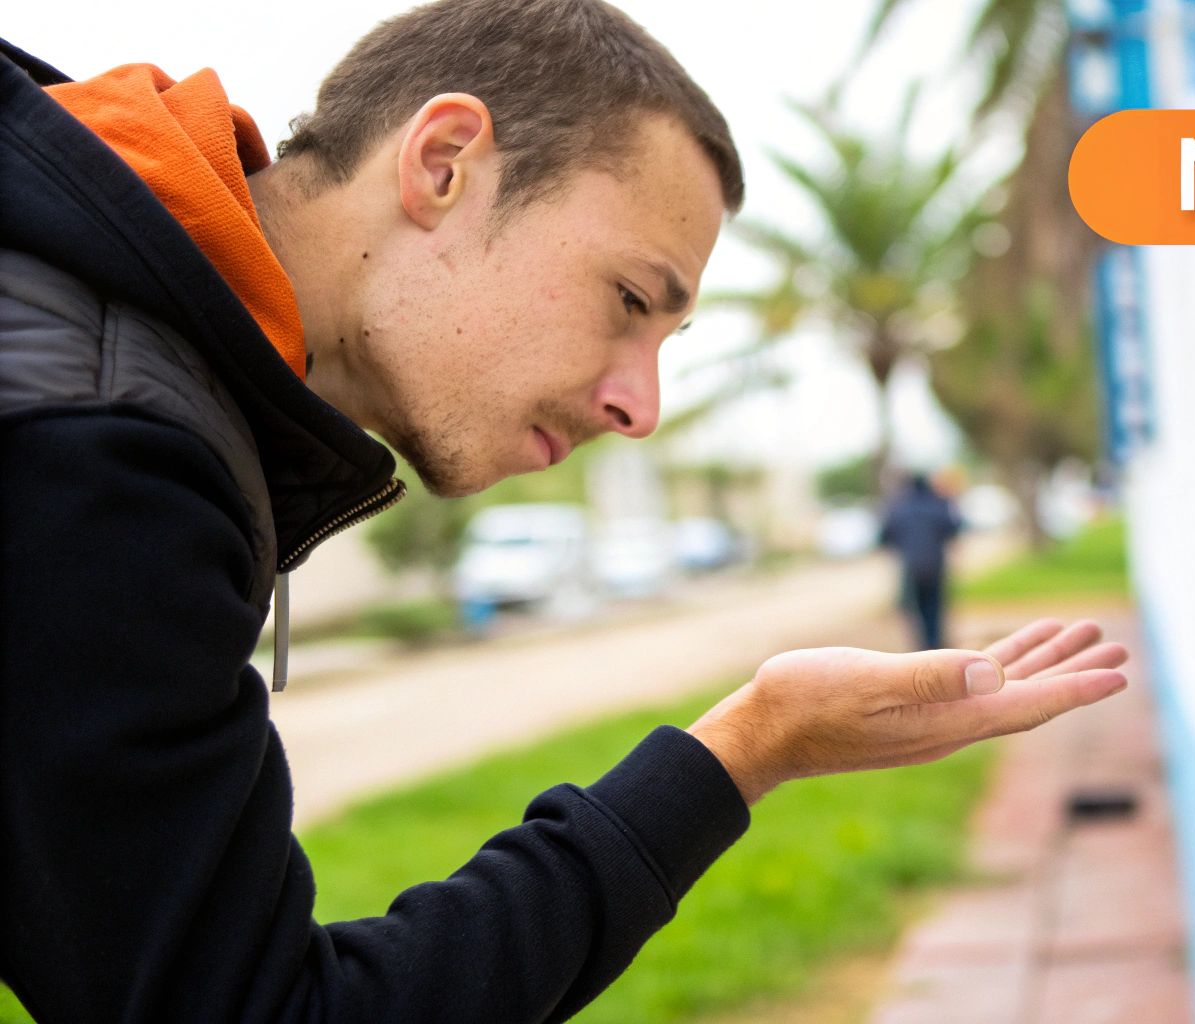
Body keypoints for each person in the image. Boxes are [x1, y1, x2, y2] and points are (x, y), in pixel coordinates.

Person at [0, 2, 1132, 1020]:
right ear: (444, 164)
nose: (637, 406)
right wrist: (743, 751)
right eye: (629, 300)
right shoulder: (106, 447)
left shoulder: (81, 319)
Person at [880, 473, 964, 649]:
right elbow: (954, 528)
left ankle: (921, 647)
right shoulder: (937, 504)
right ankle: (935, 644)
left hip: (911, 566)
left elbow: (885, 536)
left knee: (913, 608)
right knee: (934, 607)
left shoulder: (898, 508)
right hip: (935, 565)